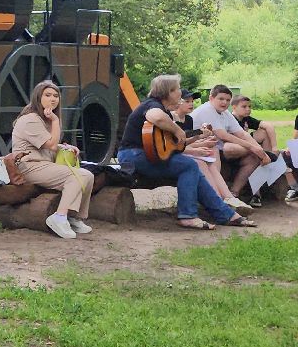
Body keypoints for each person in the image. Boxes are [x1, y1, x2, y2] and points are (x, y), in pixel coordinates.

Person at [116, 73, 248, 230]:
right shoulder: (153, 105)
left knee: (193, 171)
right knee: (189, 165)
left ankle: (225, 214)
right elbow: (156, 117)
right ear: (169, 91)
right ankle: (188, 216)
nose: (180, 92)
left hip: (146, 155)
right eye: (178, 89)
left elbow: (173, 144)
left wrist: (197, 136)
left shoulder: (161, 108)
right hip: (133, 156)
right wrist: (178, 130)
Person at [9, 80, 96, 240]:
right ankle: (59, 217)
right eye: (47, 95)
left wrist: (66, 148)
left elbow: (52, 146)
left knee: (88, 176)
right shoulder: (31, 119)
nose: (53, 99)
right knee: (78, 176)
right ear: (38, 97)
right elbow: (50, 144)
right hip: (28, 166)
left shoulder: (46, 118)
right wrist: (55, 122)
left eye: (56, 95)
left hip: (44, 165)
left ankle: (73, 217)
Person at [191, 84, 276, 205]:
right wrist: (254, 148)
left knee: (253, 158)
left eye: (227, 100)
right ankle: (218, 198)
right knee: (233, 148)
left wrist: (259, 150)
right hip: (201, 148)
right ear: (211, 98)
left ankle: (234, 194)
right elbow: (223, 135)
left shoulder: (225, 113)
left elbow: (242, 133)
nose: (224, 102)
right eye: (221, 99)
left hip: (218, 148)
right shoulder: (206, 110)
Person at [173, 89, 246, 211]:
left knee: (211, 151)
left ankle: (228, 197)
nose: (191, 104)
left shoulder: (189, 119)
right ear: (177, 102)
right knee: (201, 161)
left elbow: (189, 139)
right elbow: (174, 145)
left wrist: (203, 139)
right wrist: (196, 149)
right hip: (177, 154)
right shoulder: (171, 119)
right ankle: (217, 201)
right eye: (187, 101)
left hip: (186, 150)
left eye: (192, 101)